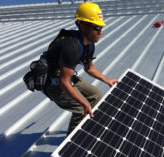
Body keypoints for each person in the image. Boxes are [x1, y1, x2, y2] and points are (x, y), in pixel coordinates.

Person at [43, 2, 118, 135]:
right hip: (53, 84)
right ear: (83, 26)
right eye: (96, 27)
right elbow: (63, 81)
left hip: (66, 77)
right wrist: (84, 104)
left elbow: (89, 67)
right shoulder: (71, 46)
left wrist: (107, 80)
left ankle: (86, 130)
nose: (100, 31)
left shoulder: (89, 44)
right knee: (82, 108)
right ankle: (71, 146)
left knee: (96, 95)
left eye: (101, 27)